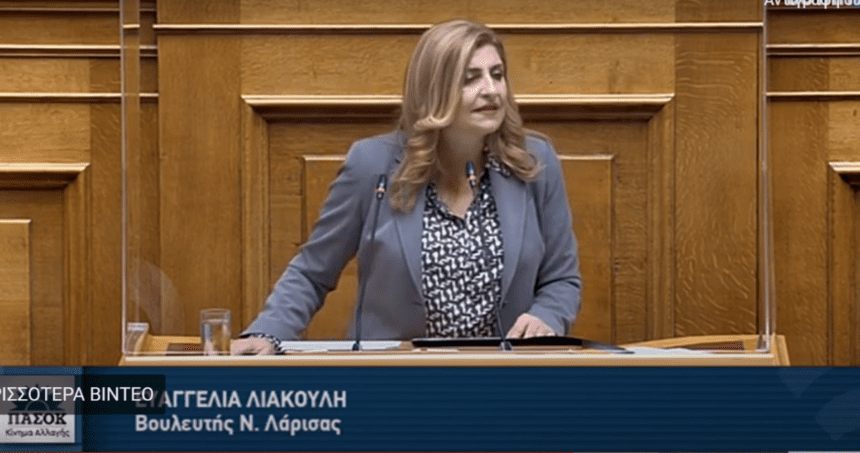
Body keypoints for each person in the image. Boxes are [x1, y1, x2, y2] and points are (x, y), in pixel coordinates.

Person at [231, 19, 581, 355]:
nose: (491, 90)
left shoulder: (533, 163)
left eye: (497, 74)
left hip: (502, 377)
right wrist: (268, 332)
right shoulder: (372, 165)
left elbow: (562, 279)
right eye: (470, 79)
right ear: (434, 89)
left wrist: (546, 317)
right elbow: (312, 272)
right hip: (394, 376)